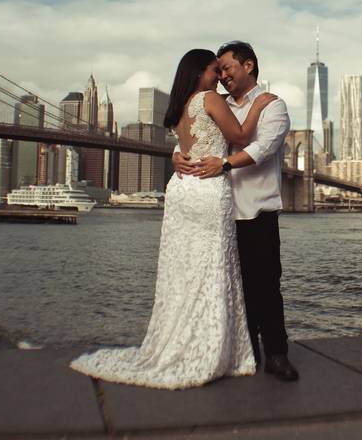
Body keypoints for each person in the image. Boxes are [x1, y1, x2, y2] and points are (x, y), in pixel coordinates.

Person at [70, 48, 275, 389]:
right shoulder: (209, 98)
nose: (219, 77)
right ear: (199, 73)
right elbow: (239, 137)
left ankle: (180, 342)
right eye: (214, 70)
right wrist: (259, 103)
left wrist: (176, 154)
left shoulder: (179, 106)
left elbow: (184, 145)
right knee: (212, 268)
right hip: (209, 191)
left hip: (181, 191)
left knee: (181, 271)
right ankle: (212, 350)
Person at [174, 41, 299, 382]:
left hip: (258, 211)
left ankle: (276, 354)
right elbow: (197, 136)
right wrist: (176, 153)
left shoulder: (273, 106)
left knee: (267, 285)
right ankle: (245, 353)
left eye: (228, 68)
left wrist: (224, 163)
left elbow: (263, 147)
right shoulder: (215, 102)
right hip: (221, 213)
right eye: (220, 70)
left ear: (249, 65)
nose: (223, 75)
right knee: (234, 289)